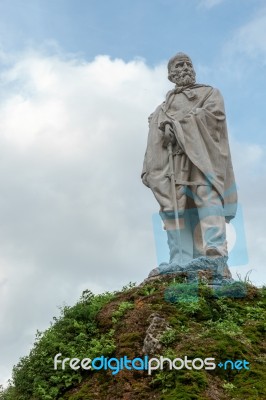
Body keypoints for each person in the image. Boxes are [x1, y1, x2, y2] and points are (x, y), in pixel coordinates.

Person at [141, 52, 237, 274]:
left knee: (206, 197)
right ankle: (181, 259)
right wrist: (147, 166)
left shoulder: (210, 93)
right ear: (170, 74)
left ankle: (214, 255)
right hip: (172, 162)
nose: (184, 68)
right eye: (179, 65)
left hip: (202, 156)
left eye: (188, 64)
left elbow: (215, 117)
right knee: (175, 206)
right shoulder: (162, 107)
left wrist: (177, 126)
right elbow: (153, 141)